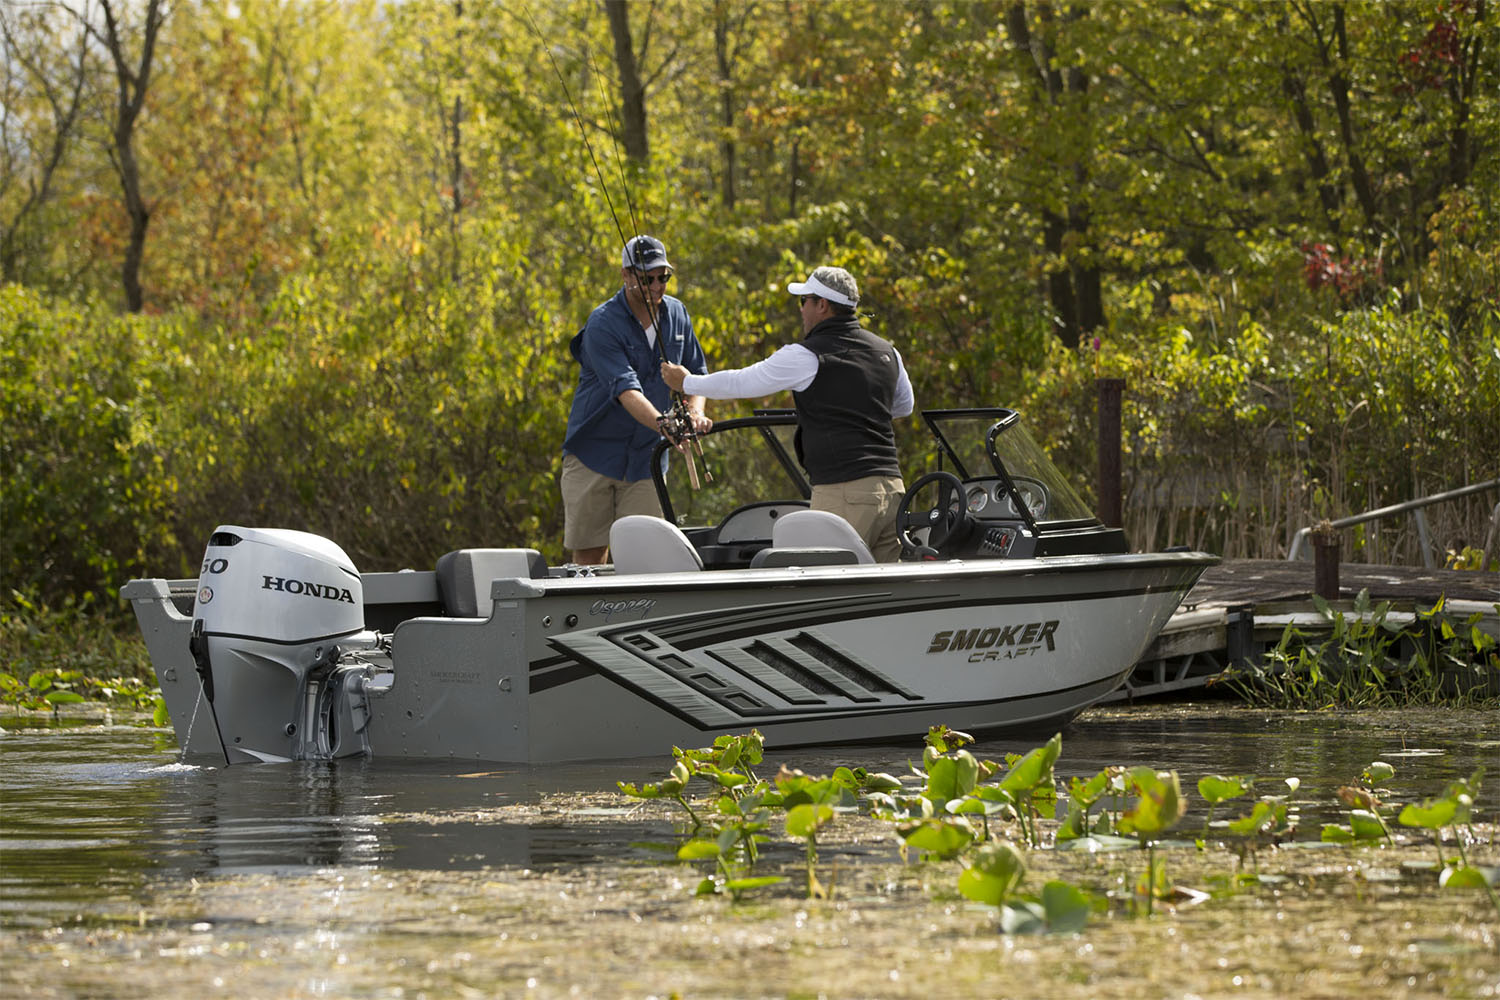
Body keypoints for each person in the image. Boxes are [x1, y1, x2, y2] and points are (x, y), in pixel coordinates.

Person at [661, 265, 914, 561]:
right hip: (894, 490)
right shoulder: (888, 352)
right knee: (880, 596)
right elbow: (903, 406)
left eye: (803, 301)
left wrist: (686, 382)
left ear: (822, 305)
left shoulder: (808, 355)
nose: (801, 310)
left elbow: (743, 381)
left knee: (827, 590)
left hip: (845, 492)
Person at [561, 235, 712, 565]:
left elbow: (695, 376)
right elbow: (626, 390)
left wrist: (694, 414)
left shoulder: (678, 315)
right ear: (626, 275)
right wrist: (663, 423)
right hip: (593, 454)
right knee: (590, 557)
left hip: (647, 459)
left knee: (645, 556)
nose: (657, 286)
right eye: (647, 278)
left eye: (663, 277)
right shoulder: (602, 323)